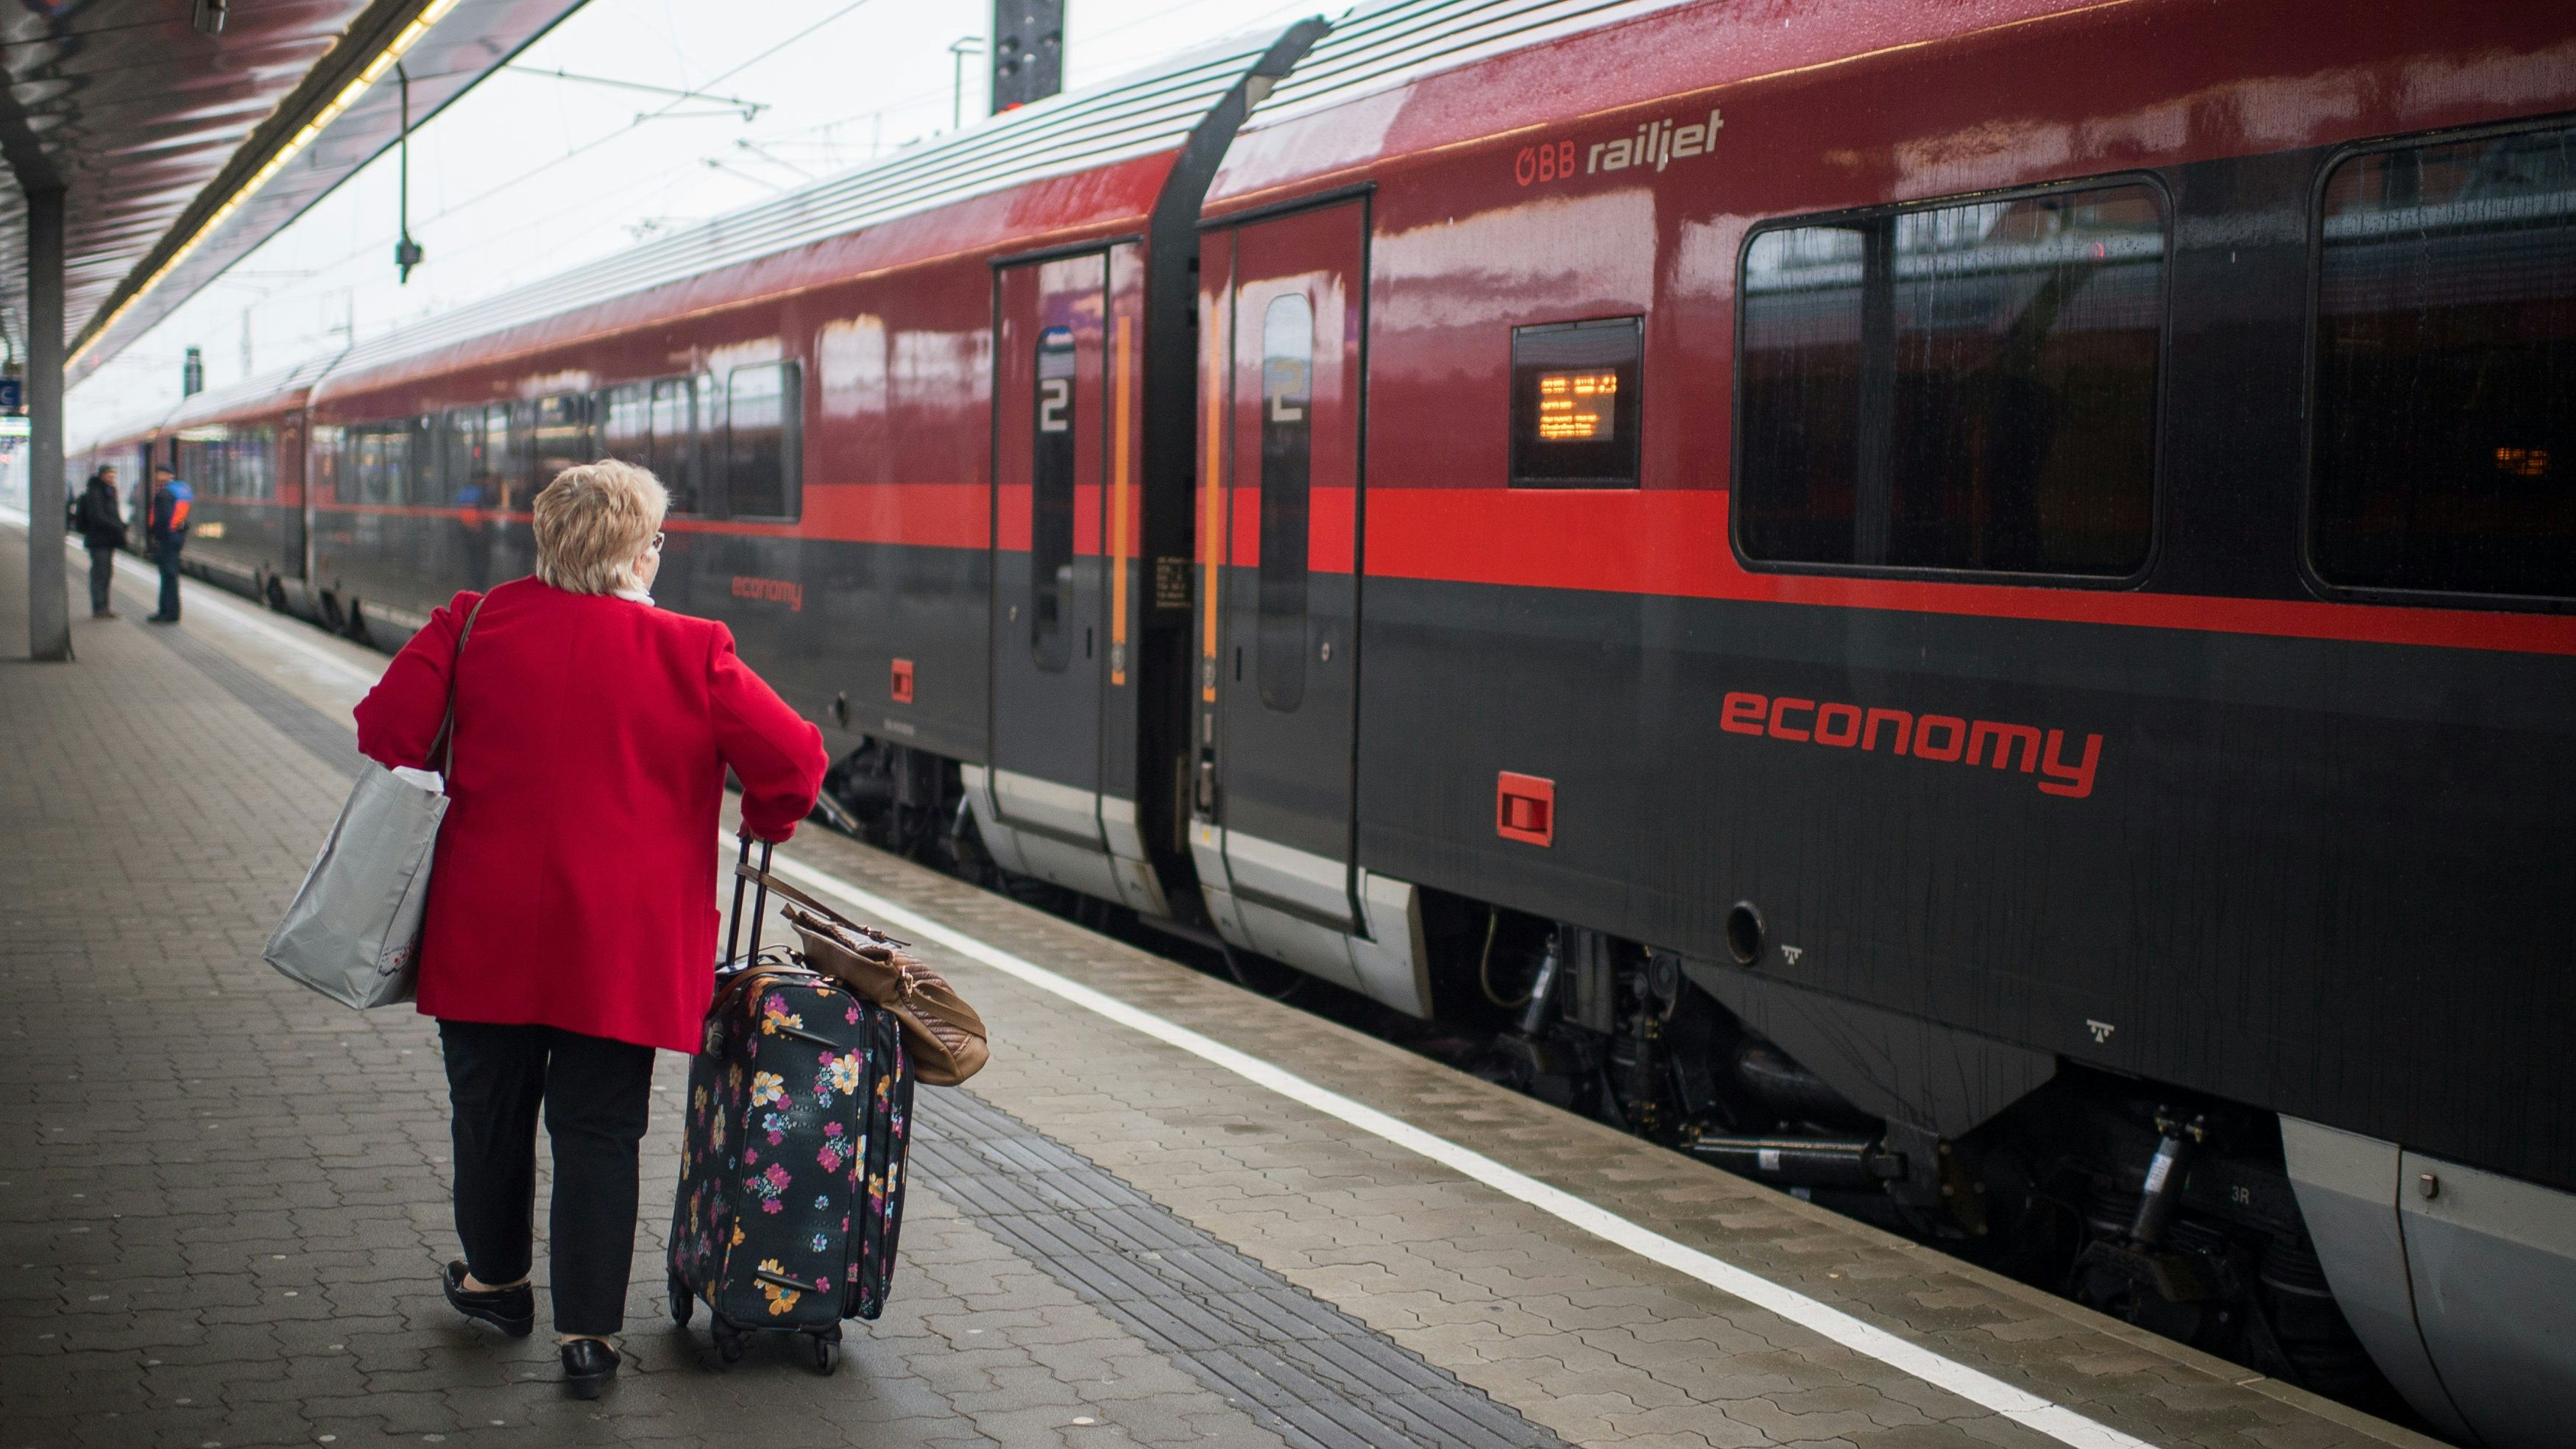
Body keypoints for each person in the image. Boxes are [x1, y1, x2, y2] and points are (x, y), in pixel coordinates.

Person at [353, 460, 824, 1397]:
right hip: (621, 949)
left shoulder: (473, 620)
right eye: (655, 540)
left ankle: (496, 1285)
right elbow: (794, 760)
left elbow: (388, 731)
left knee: (488, 1113)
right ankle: (589, 1340)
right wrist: (764, 823)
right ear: (638, 551)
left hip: (484, 932)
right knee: (599, 1131)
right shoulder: (694, 648)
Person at [71, 467, 126, 618]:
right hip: (98, 540)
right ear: (102, 475)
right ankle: (99, 609)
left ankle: (104, 608)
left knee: (106, 573)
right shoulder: (95, 492)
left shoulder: (109, 490)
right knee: (100, 574)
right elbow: (98, 516)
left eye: (114, 474)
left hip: (106, 539)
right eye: (109, 474)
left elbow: (113, 513)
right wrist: (118, 526)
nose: (112, 477)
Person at [143, 464, 192, 623]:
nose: (156, 477)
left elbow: (162, 520)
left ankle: (169, 613)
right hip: (176, 537)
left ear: (166, 475)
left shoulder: (164, 494)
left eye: (158, 474)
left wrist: (157, 540)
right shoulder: (182, 491)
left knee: (168, 576)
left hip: (167, 539)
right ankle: (167, 611)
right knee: (170, 576)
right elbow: (182, 520)